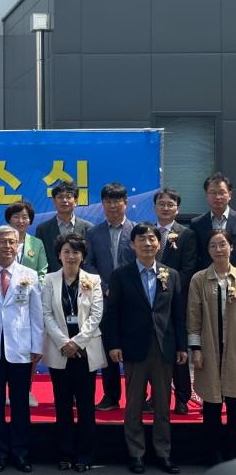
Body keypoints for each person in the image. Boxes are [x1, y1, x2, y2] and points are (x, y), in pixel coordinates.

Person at [103, 222, 186, 475]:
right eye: (141, 239)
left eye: (152, 239)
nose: (147, 243)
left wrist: (182, 346)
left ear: (159, 244)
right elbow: (112, 313)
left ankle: (163, 453)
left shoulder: (171, 275)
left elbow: (178, 314)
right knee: (134, 405)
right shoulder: (121, 275)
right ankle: (136, 454)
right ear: (132, 244)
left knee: (162, 406)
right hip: (133, 347)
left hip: (164, 348)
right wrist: (114, 344)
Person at [0, 225, 43, 474]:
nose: (7, 246)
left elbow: (36, 313)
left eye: (12, 242)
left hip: (21, 348)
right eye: (2, 241)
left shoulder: (29, 274)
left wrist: (37, 345)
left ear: (18, 246)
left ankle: (20, 452)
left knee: (20, 404)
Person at [41, 234, 105, 472]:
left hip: (85, 351)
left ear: (83, 256)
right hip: (60, 351)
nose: (71, 256)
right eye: (66, 251)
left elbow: (96, 315)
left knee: (86, 406)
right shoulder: (49, 280)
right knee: (63, 405)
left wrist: (77, 343)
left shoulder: (93, 280)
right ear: (59, 255)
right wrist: (63, 342)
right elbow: (46, 313)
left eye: (76, 252)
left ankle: (85, 455)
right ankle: (65, 453)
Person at [84, 181, 135, 411]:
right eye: (108, 201)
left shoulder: (137, 231)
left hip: (132, 299)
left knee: (134, 348)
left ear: (126, 203)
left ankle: (137, 395)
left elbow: (142, 262)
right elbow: (88, 263)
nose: (112, 205)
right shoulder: (93, 233)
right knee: (108, 347)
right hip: (103, 299)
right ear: (102, 204)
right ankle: (111, 396)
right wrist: (104, 286)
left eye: (117, 201)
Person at [187, 230, 236, 466]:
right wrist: (195, 349)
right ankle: (212, 454)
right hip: (209, 348)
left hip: (234, 350)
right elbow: (193, 316)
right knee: (212, 404)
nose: (218, 250)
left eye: (222, 244)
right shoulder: (199, 279)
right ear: (207, 250)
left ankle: (232, 453)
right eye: (213, 246)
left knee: (234, 403)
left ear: (231, 247)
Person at [152, 188, 197, 414]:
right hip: (151, 301)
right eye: (161, 204)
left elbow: (189, 268)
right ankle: (155, 397)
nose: (165, 208)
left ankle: (181, 397)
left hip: (176, 300)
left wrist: (169, 288)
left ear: (177, 208)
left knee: (179, 349)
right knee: (154, 350)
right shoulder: (148, 232)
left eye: (170, 204)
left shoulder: (186, 234)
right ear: (154, 207)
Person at [5, 200, 48, 408]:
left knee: (29, 347)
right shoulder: (0, 239)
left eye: (25, 217)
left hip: (29, 301)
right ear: (9, 219)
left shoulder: (36, 243)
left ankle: (27, 390)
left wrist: (31, 285)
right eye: (16, 217)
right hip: (4, 301)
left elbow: (43, 271)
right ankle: (4, 390)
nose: (21, 221)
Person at [36, 181, 93, 274]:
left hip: (82, 279)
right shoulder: (43, 229)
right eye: (60, 197)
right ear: (54, 201)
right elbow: (40, 260)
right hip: (52, 279)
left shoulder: (88, 228)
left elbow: (90, 259)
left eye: (68, 197)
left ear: (75, 201)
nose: (64, 200)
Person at [190, 172, 236, 269]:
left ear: (230, 195)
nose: (217, 197)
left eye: (222, 192)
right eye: (213, 193)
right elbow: (195, 256)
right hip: (206, 276)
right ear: (207, 195)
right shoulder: (196, 224)